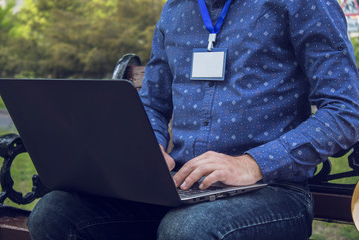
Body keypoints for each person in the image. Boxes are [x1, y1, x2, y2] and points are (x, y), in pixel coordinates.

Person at [27, 0, 359, 239]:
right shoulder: (176, 9)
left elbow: (346, 109)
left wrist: (252, 163)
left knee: (187, 230)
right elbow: (153, 103)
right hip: (180, 188)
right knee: (55, 213)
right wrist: (149, 146)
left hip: (274, 191)